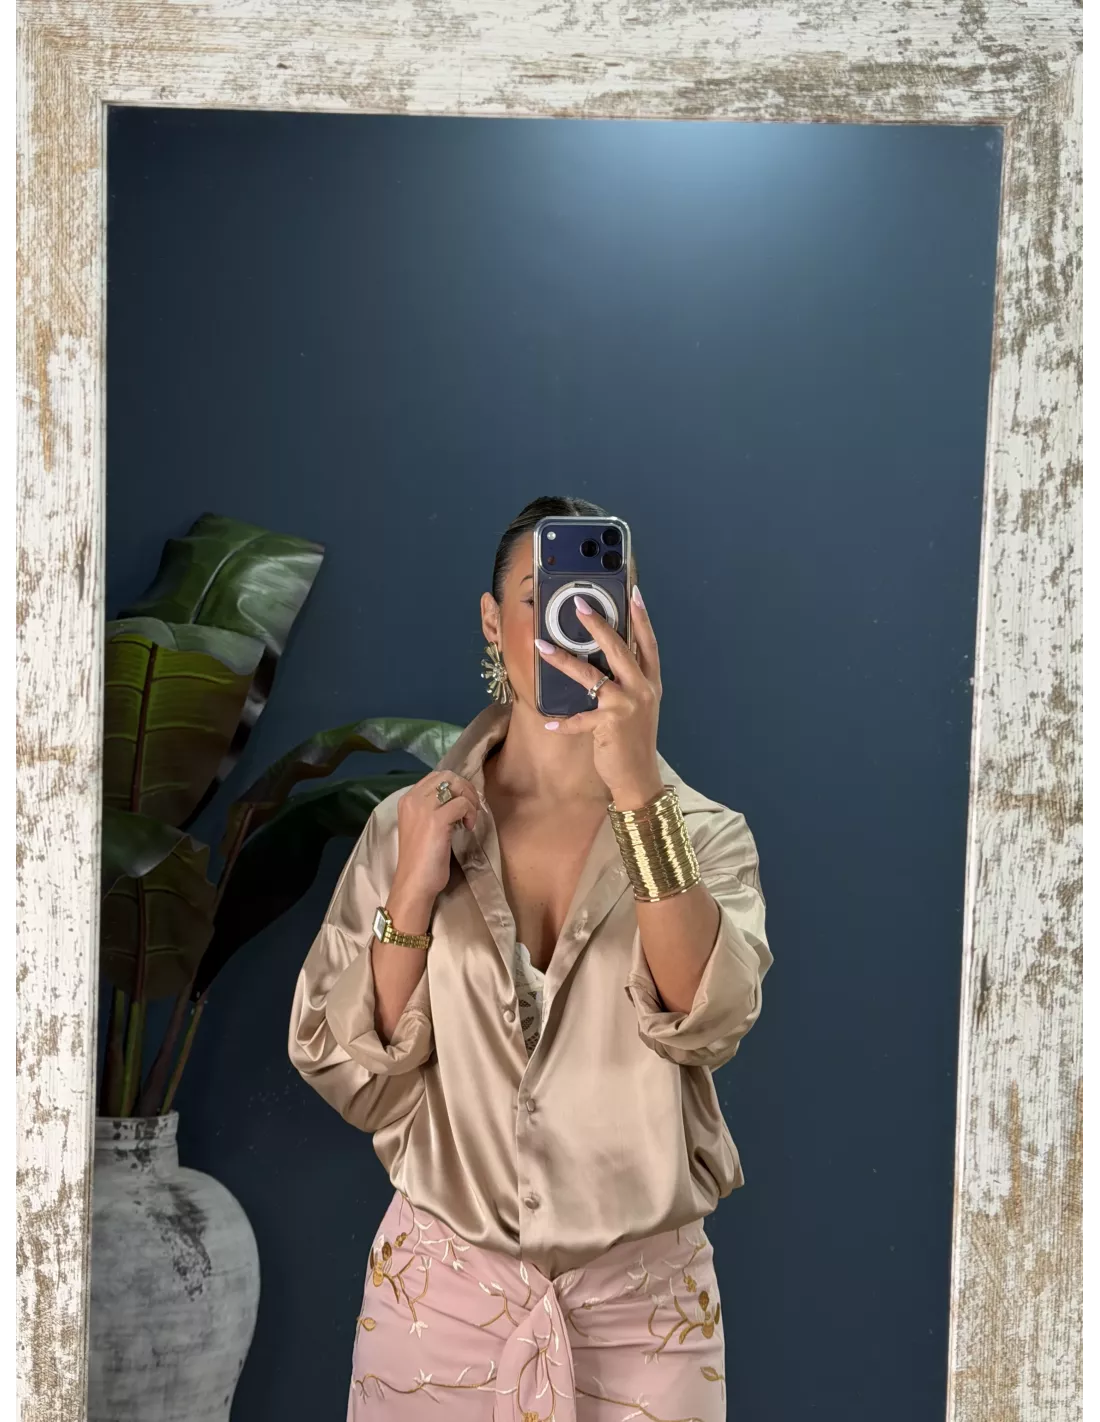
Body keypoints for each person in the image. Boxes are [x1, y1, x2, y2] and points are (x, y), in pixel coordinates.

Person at [289, 495, 773, 1421]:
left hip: (645, 1319)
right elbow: (347, 1066)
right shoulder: (405, 826)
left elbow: (708, 1023)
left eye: (596, 599)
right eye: (539, 598)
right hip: (438, 1307)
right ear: (490, 619)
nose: (571, 625)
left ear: (633, 617)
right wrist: (411, 893)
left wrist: (638, 794)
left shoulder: (706, 834)